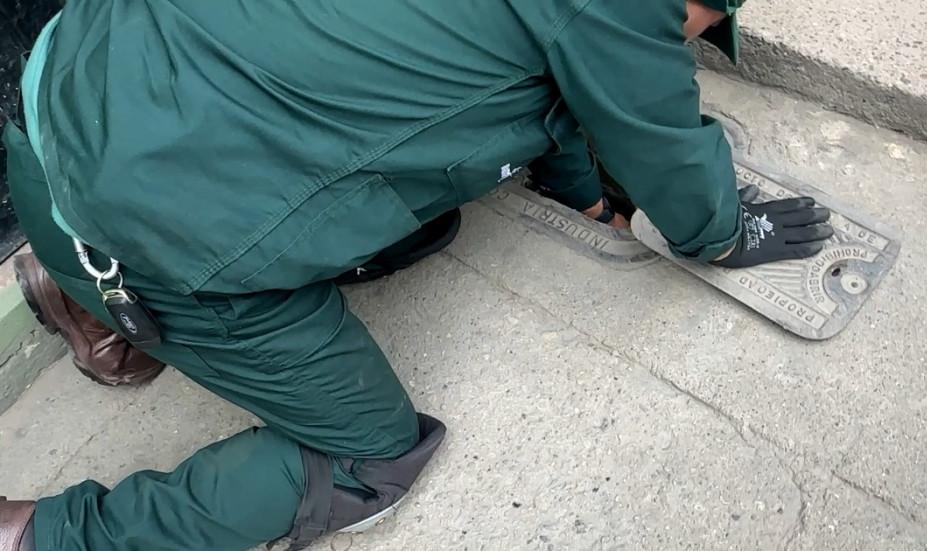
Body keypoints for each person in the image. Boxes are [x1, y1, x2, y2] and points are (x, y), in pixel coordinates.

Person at [0, 1, 833, 549]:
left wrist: (585, 194)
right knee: (370, 462)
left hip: (72, 90)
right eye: (694, 30)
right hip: (137, 232)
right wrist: (724, 232)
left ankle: (65, 270)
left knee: (429, 217)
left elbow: (556, 57)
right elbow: (656, 132)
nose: (680, 44)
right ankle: (45, 532)